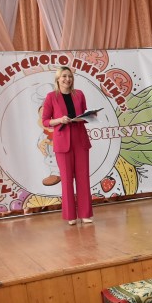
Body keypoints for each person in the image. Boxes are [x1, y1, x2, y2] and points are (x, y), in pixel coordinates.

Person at [41, 66, 93, 225]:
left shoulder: (79, 94)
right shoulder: (51, 97)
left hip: (80, 139)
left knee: (83, 178)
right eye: (64, 76)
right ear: (58, 79)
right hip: (62, 141)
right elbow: (45, 121)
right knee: (66, 179)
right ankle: (71, 216)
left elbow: (85, 115)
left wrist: (87, 117)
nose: (67, 79)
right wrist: (60, 120)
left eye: (69, 76)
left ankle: (85, 214)